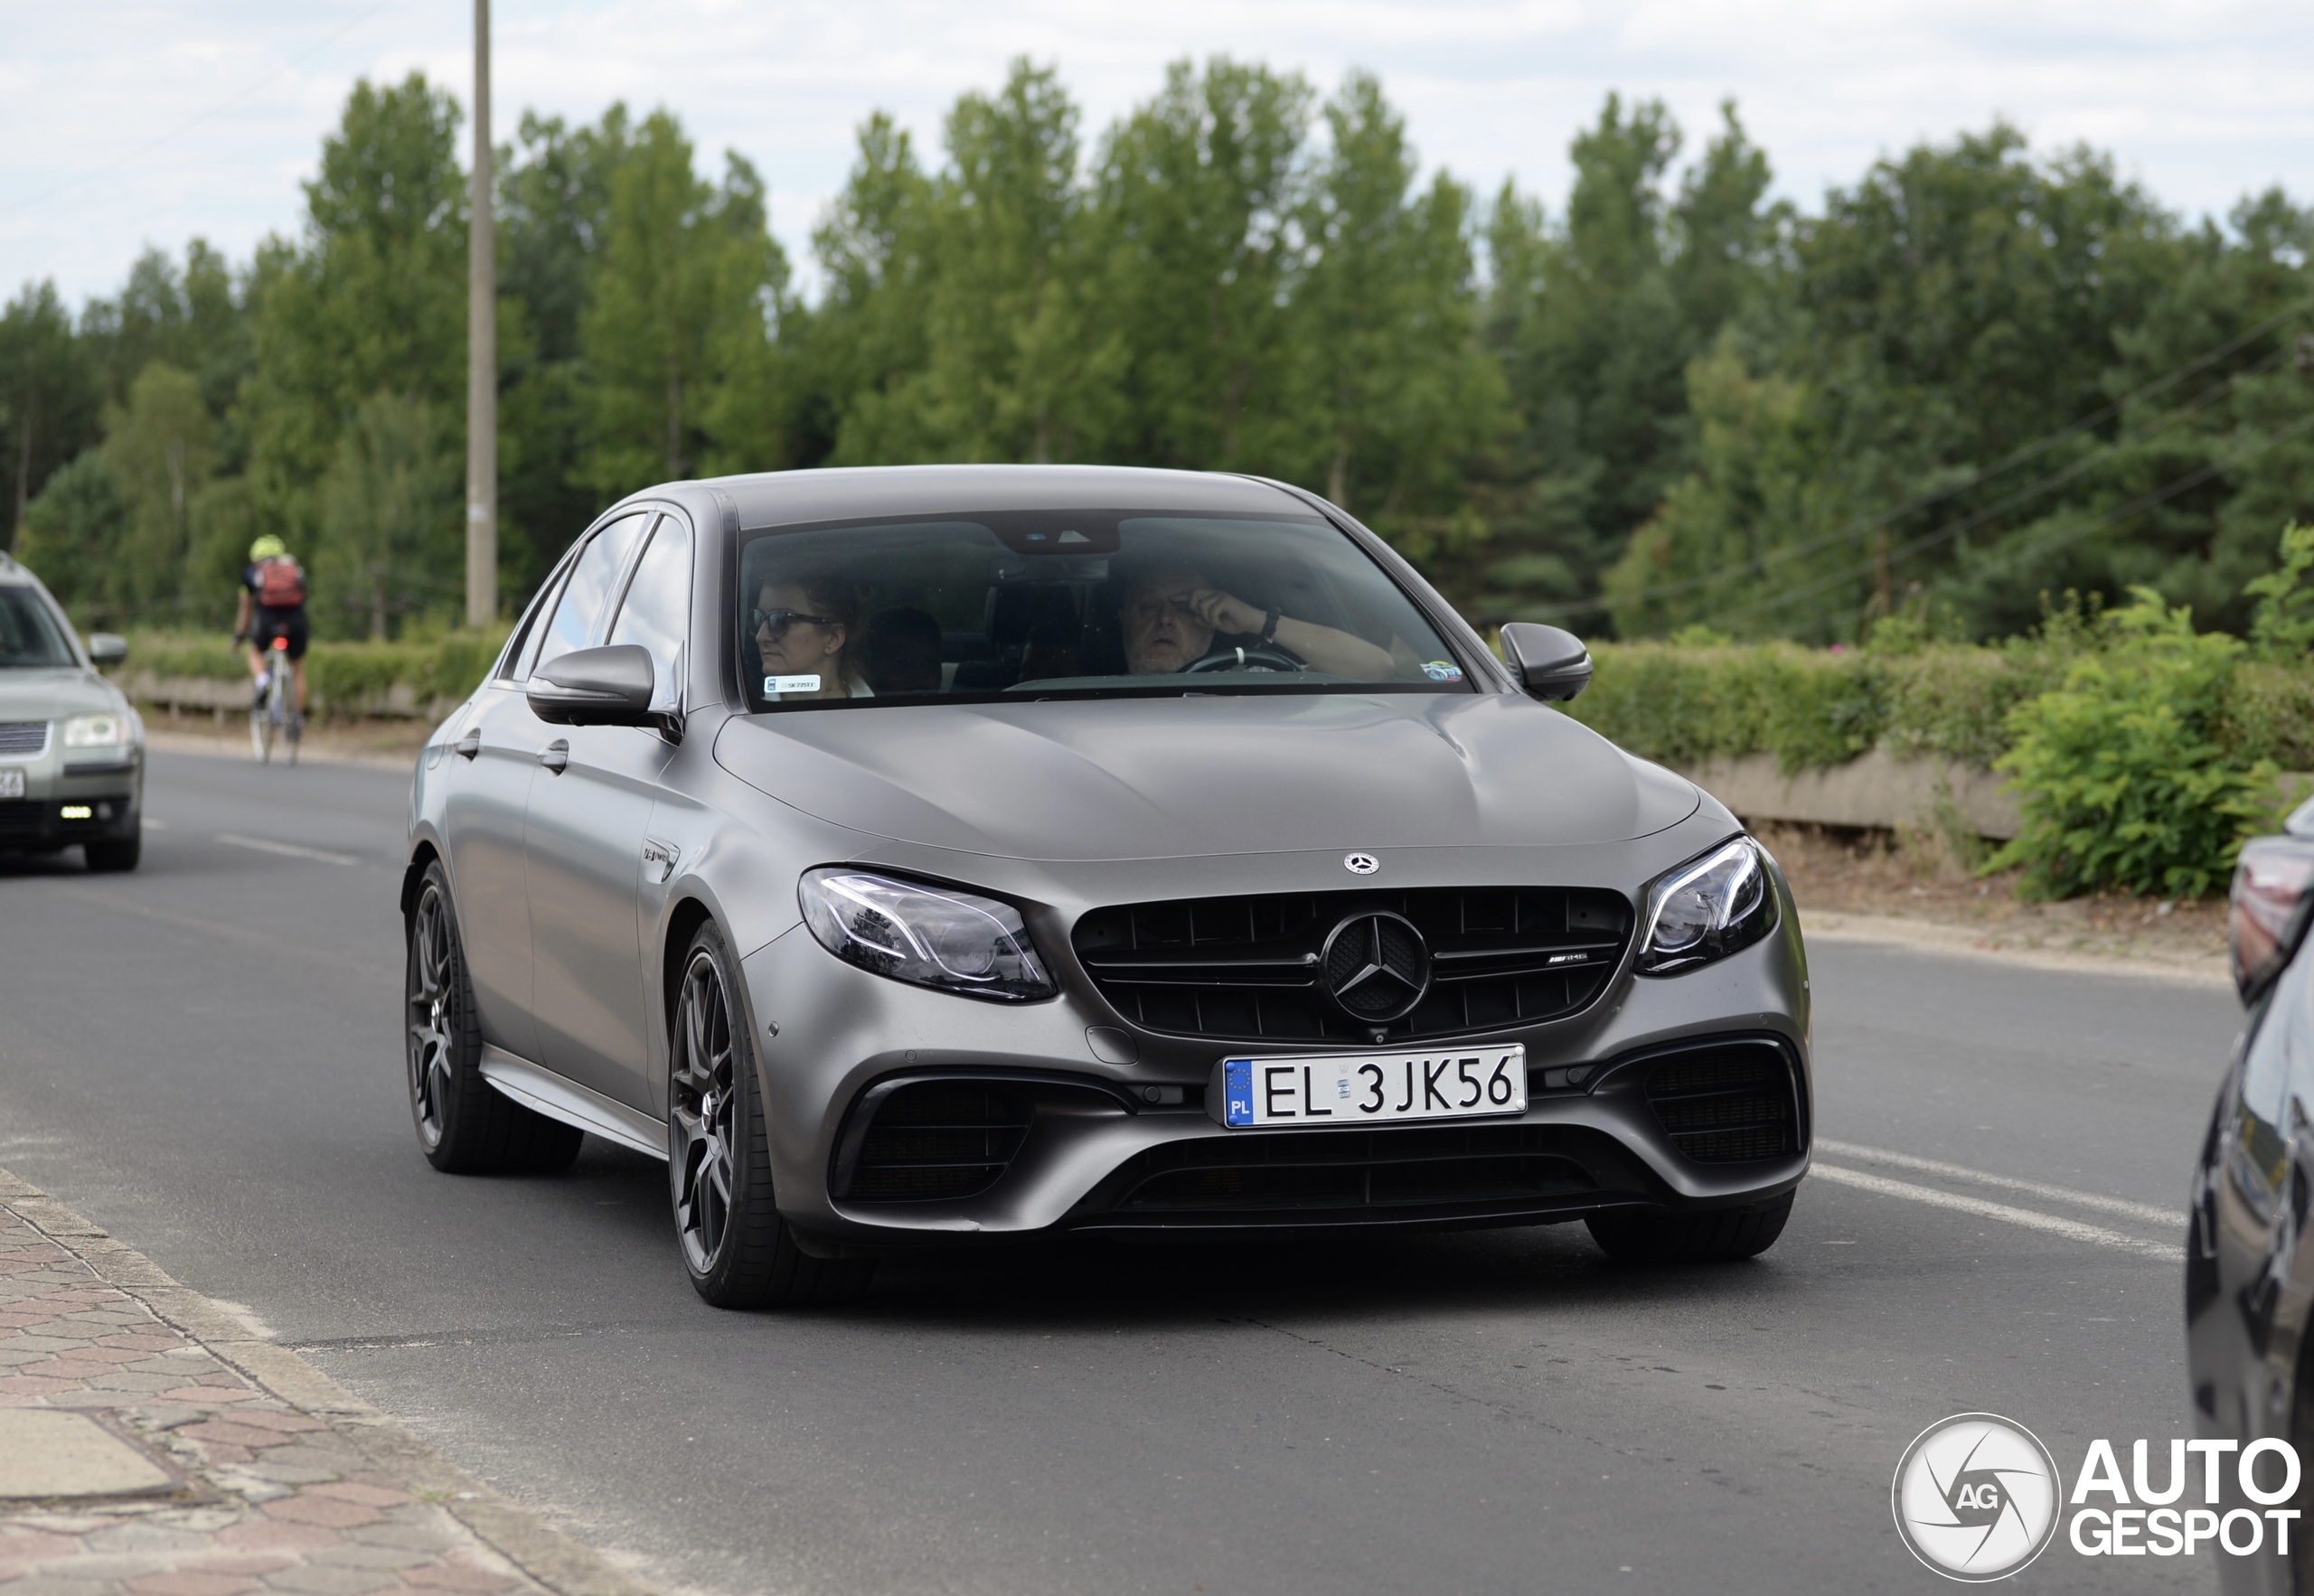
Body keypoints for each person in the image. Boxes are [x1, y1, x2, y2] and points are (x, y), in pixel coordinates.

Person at [1118, 563, 1396, 679]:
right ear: (1123, 619)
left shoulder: (1250, 685)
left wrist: (1258, 620)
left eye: (1182, 607)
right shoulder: (1083, 692)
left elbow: (1376, 666)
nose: (1165, 618)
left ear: (1210, 623)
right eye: (1149, 605)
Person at [754, 570, 873, 700]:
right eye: (759, 618)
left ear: (833, 638)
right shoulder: (740, 717)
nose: (761, 637)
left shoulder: (880, 717)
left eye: (780, 620)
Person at [233, 535, 308, 717]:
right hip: (296, 619)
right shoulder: (293, 568)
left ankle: (262, 681)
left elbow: (246, 608)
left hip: (268, 620)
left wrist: (239, 636)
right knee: (297, 666)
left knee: (256, 652)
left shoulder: (252, 572)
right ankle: (297, 719)